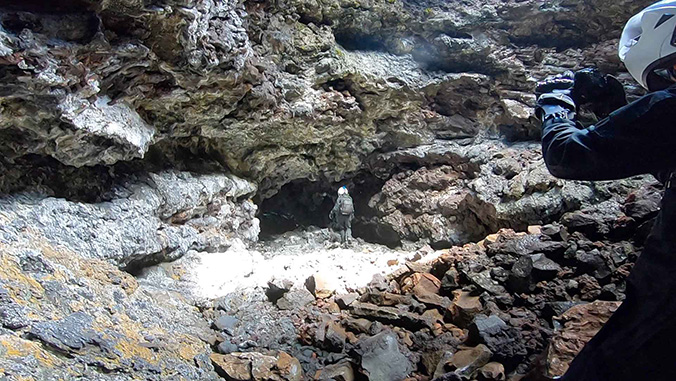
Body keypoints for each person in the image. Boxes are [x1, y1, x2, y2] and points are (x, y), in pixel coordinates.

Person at [533, 1, 676, 380]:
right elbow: (666, 160)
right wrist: (612, 107)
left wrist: (555, 104)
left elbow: (567, 156)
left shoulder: (670, 108)